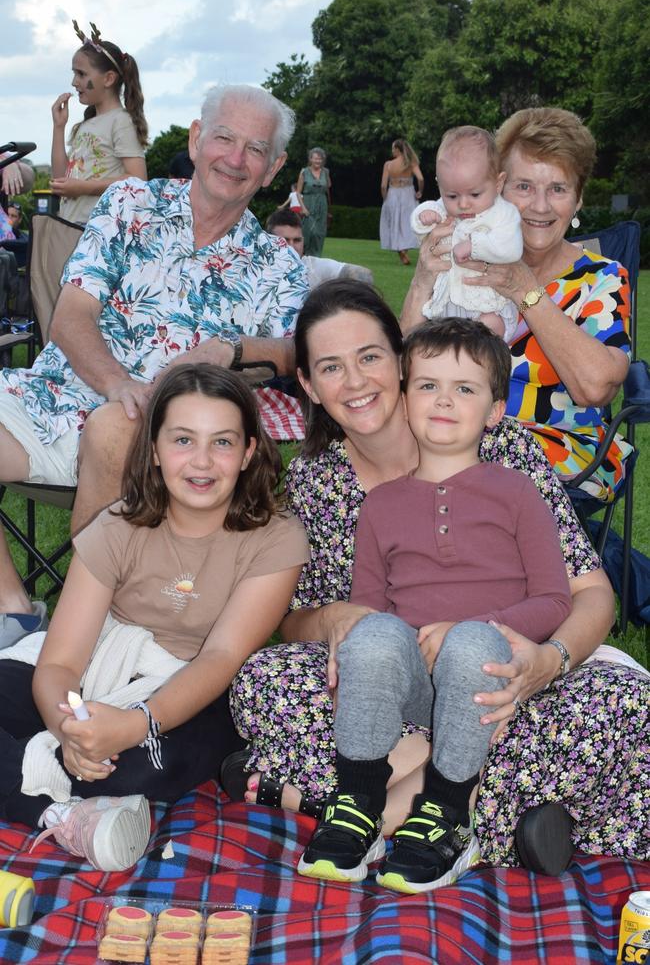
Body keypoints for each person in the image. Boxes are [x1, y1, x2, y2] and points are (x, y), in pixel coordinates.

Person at [226, 280, 649, 871]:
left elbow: (586, 593)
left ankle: (370, 803)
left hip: (508, 677)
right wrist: (332, 617)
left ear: (400, 362)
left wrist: (547, 661)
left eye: (370, 357)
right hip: (389, 692)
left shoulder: (503, 450)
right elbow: (291, 620)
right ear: (309, 386)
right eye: (330, 367)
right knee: (264, 682)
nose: (354, 381)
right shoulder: (314, 484)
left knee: (622, 703)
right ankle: (487, 810)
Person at [0, 83, 308, 636]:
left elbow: (301, 350)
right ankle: (16, 615)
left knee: (121, 426)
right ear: (195, 140)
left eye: (255, 149)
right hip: (56, 400)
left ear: (273, 167)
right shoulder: (129, 203)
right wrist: (118, 383)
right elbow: (71, 317)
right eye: (224, 138)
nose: (235, 159)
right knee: (119, 413)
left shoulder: (276, 266)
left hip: (156, 439)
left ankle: (82, 632)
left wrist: (236, 349)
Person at [297, 318, 572, 891]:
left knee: (471, 642)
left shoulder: (518, 490)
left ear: (495, 411)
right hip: (413, 687)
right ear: (404, 394)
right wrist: (353, 644)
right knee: (369, 635)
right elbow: (369, 609)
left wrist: (479, 629)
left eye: (464, 389)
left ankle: (447, 815)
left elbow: (554, 598)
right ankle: (359, 804)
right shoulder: (381, 505)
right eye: (427, 385)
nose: (443, 400)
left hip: (497, 677)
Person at [0, 362, 309, 872]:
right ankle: (57, 811)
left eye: (223, 442)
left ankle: (45, 776)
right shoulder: (117, 526)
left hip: (192, 689)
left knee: (141, 769)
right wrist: (67, 725)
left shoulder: (276, 540)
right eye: (183, 440)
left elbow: (222, 655)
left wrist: (132, 725)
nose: (202, 461)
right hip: (101, 669)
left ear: (250, 451)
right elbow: (61, 661)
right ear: (155, 450)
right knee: (61, 724)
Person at [401, 107, 632, 503]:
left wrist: (526, 290)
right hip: (448, 433)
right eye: (524, 187)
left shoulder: (602, 278)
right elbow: (401, 361)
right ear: (498, 187)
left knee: (462, 471)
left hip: (554, 447)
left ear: (578, 200)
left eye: (558, 189)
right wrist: (423, 279)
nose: (539, 206)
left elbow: (596, 387)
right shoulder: (461, 253)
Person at [409, 127, 523, 340]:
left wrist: (475, 246)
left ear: (498, 183)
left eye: (475, 194)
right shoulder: (443, 207)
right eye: (452, 195)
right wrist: (424, 216)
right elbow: (422, 223)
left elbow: (511, 246)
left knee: (489, 328)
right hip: (448, 301)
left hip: (486, 303)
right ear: (440, 185)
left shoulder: (503, 213)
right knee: (439, 338)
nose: (463, 204)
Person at [50, 20, 148, 225]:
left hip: (101, 231)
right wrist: (59, 127)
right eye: (74, 73)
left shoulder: (121, 121)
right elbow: (60, 180)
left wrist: (83, 188)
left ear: (109, 79)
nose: (74, 82)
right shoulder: (85, 125)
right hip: (72, 228)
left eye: (81, 74)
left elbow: (138, 180)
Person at [266, 210, 373, 288]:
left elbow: (363, 274)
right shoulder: (256, 271)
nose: (292, 247)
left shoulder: (312, 267)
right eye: (284, 241)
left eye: (297, 240)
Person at [379, 139, 424, 266]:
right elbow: (420, 178)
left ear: (398, 150)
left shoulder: (388, 164)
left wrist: (385, 199)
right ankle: (404, 248)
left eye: (393, 148)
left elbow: (383, 185)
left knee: (395, 222)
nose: (392, 151)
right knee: (408, 222)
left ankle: (401, 249)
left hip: (393, 193)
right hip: (408, 193)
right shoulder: (411, 162)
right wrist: (420, 191)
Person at [297, 148, 332, 256]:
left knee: (319, 234)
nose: (318, 161)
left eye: (320, 159)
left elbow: (328, 185)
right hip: (308, 204)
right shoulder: (304, 172)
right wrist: (303, 208)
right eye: (315, 158)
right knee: (308, 233)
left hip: (322, 205)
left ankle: (316, 258)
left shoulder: (326, 172)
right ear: (310, 159)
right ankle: (303, 257)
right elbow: (298, 192)